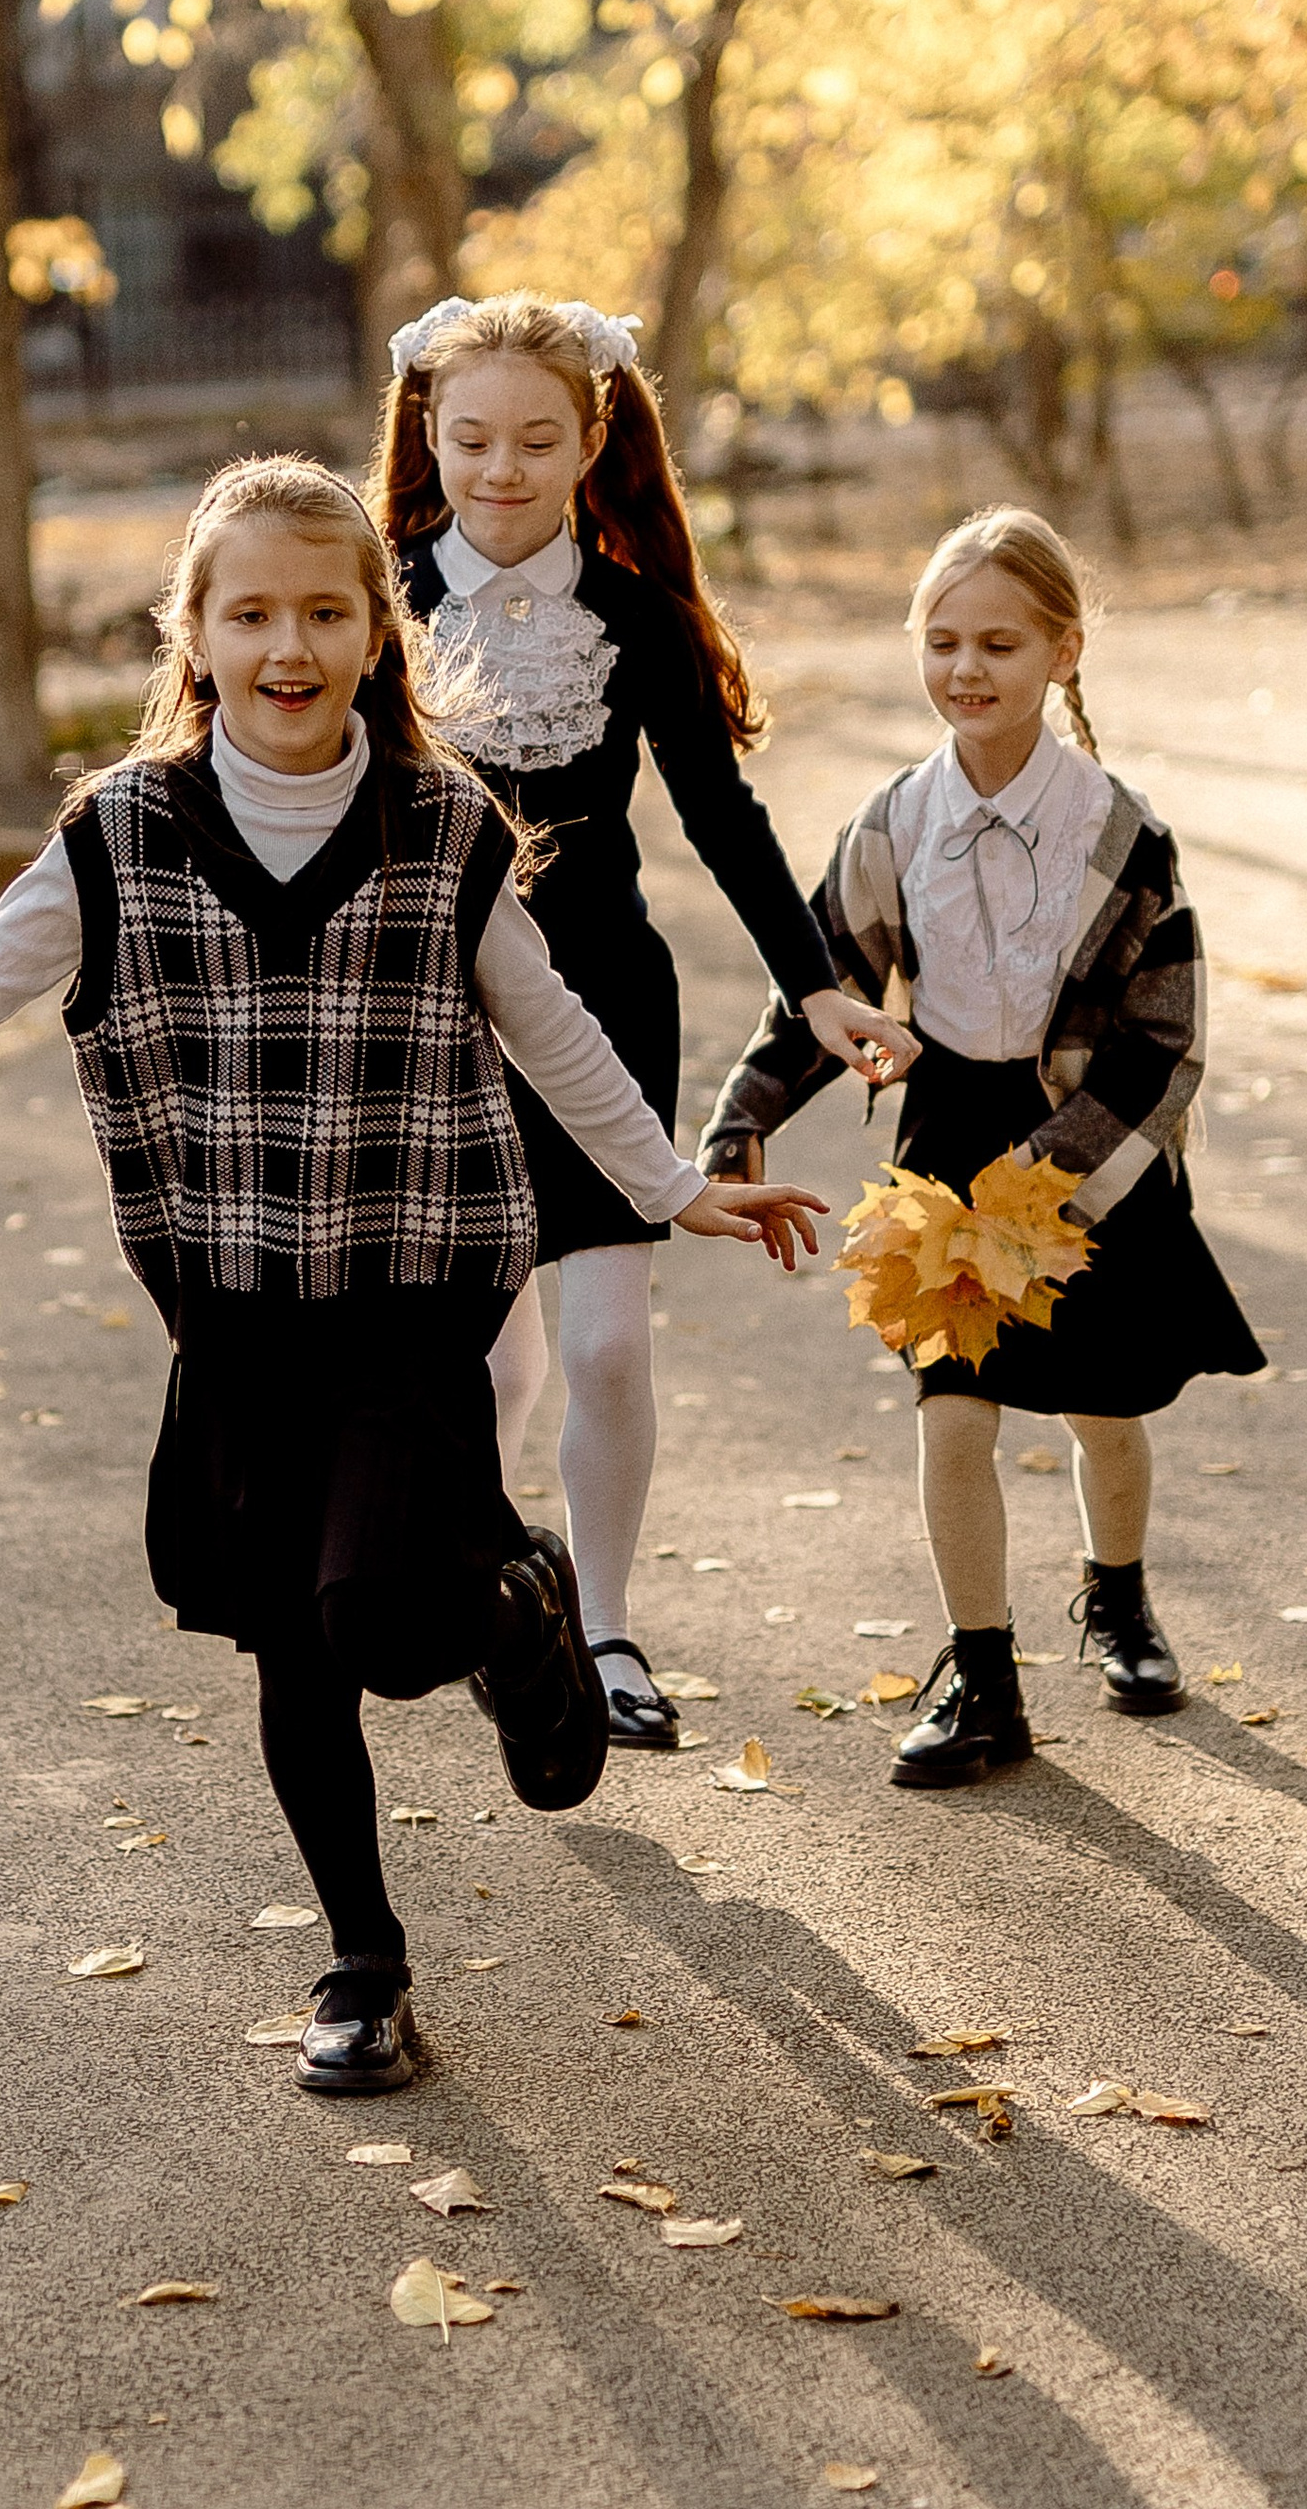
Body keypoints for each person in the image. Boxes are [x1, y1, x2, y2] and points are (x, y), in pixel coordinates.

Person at [0, 456, 821, 2094]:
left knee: (377, 1614)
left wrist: (670, 1184)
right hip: (232, 1312)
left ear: (380, 636)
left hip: (415, 1288)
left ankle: (521, 1610)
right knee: (294, 1648)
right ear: (198, 639)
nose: (288, 642)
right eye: (252, 613)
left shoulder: (441, 829)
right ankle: (364, 1962)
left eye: (324, 610)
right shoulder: (118, 839)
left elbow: (556, 1031)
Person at [373, 295, 916, 1750]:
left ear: (592, 439)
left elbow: (726, 820)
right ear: (429, 428)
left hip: (606, 1001)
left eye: (536, 439)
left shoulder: (637, 617)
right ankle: (487, 1606)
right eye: (472, 436)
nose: (500, 467)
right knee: (490, 1359)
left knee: (606, 1348)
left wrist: (817, 988)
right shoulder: (370, 606)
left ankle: (604, 1630)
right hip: (427, 1015)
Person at [701, 504, 1262, 1788]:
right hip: (949, 1140)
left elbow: (1163, 1040)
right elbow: (828, 985)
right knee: (952, 1418)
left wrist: (1055, 1175)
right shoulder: (896, 821)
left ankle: (1117, 1599)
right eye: (942, 640)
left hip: (1086, 1148)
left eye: (999, 643)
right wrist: (744, 1111)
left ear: (1063, 651)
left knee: (1098, 1410)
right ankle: (985, 1680)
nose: (968, 669)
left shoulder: (1121, 835)